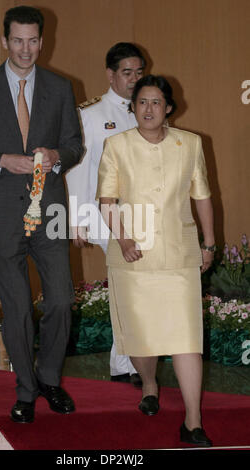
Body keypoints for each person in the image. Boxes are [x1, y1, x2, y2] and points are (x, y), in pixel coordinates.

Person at [0, 6, 83, 424]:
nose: (26, 50)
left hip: (51, 211)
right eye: (18, 40)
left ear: (43, 42)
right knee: (18, 310)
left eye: (33, 41)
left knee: (61, 300)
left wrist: (56, 155)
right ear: (5, 41)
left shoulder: (61, 88)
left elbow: (74, 145)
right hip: (1, 214)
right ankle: (26, 389)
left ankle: (49, 378)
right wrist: (3, 160)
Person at [97, 74, 215, 447]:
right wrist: (124, 238)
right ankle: (148, 381)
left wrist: (208, 243)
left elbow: (203, 197)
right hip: (133, 256)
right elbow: (107, 201)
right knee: (142, 340)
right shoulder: (116, 145)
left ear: (168, 108)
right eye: (141, 102)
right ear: (133, 108)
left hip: (179, 255)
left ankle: (193, 421)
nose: (148, 109)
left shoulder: (190, 144)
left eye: (156, 102)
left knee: (186, 338)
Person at [66, 42, 146, 385]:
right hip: (106, 215)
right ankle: (123, 365)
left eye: (139, 72)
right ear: (110, 75)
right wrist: (77, 218)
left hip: (144, 213)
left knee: (136, 288)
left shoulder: (147, 109)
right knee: (127, 287)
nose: (134, 79)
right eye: (127, 73)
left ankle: (128, 362)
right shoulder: (91, 114)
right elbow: (79, 170)